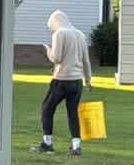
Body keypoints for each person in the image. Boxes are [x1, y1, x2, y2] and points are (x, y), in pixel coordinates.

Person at [32, 10, 93, 156]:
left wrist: (48, 50)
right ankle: (76, 146)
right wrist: (88, 80)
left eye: (51, 25)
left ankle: (47, 144)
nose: (51, 28)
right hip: (77, 81)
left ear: (55, 21)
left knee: (47, 109)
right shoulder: (80, 34)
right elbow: (86, 60)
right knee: (73, 113)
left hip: (61, 80)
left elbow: (56, 58)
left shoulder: (59, 34)